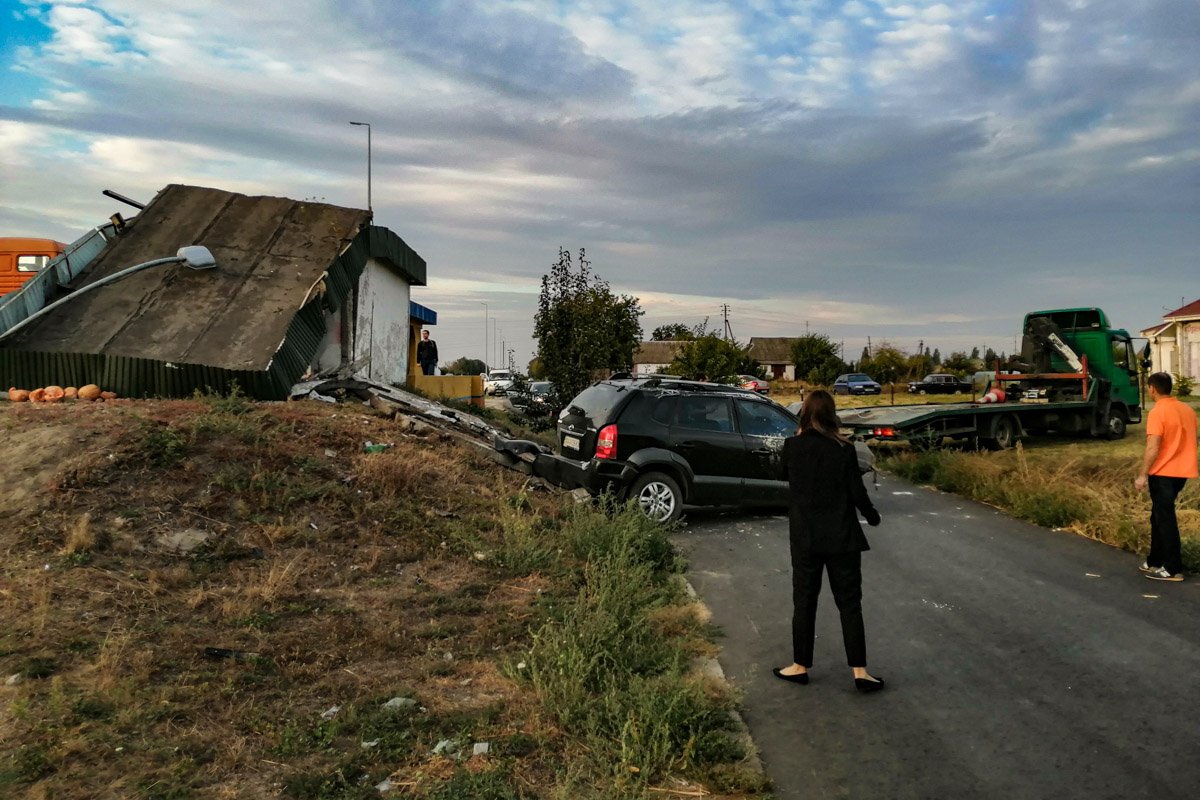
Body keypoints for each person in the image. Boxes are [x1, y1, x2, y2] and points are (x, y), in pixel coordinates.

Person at [774, 389, 885, 693]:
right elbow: (855, 491)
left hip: (806, 539)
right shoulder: (844, 449)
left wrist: (799, 435)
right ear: (832, 414)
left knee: (804, 602)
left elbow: (785, 476)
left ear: (805, 414)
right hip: (843, 539)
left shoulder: (792, 447)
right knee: (850, 604)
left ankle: (799, 666)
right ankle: (860, 672)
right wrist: (872, 515)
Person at [1134, 372, 1198, 582]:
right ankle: (1154, 560)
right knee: (1158, 515)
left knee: (1165, 518)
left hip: (1163, 472)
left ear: (1152, 389)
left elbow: (1153, 447)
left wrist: (1143, 474)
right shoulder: (1187, 409)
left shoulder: (1158, 412)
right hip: (1183, 471)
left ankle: (1172, 568)